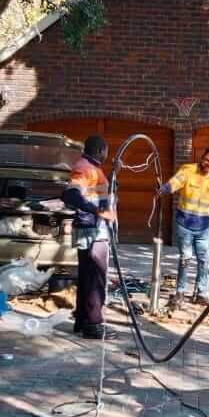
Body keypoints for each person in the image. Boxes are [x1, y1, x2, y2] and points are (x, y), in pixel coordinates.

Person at [158, 146, 209, 306]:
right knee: (185, 258)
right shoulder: (188, 170)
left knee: (204, 260)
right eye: (206, 160)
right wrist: (164, 189)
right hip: (184, 225)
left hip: (203, 228)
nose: (208, 164)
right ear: (202, 158)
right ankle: (180, 292)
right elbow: (174, 183)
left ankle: (201, 294)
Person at [62, 134, 116, 339]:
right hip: (93, 232)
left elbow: (95, 193)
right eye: (106, 151)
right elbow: (72, 195)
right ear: (101, 150)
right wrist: (97, 211)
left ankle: (82, 321)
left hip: (91, 229)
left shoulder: (92, 168)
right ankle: (93, 324)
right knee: (96, 278)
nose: (107, 154)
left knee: (87, 276)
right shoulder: (86, 168)